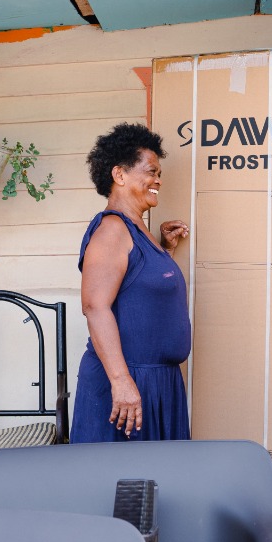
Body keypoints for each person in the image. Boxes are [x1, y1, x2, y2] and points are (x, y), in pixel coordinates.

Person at [72, 122, 192, 443]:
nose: (158, 180)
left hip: (156, 382)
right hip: (128, 383)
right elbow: (95, 307)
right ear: (120, 175)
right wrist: (122, 382)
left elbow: (137, 284)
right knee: (121, 486)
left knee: (156, 486)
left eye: (159, 172)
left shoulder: (138, 233)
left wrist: (163, 248)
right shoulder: (112, 230)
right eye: (151, 171)